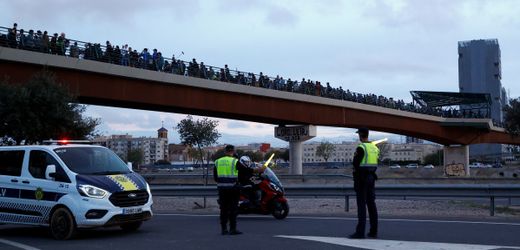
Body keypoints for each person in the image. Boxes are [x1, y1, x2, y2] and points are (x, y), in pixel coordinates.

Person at [349, 128, 379, 239]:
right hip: (371, 177)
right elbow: (375, 162)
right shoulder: (374, 148)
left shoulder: (361, 148)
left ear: (361, 135)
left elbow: (355, 164)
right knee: (372, 205)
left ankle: (360, 232)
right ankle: (373, 231)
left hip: (362, 179)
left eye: (358, 134)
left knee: (361, 205)